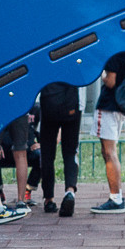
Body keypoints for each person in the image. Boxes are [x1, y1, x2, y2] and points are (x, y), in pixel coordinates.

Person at [89, 54, 125, 214]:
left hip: (109, 105)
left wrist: (101, 74)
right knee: (110, 152)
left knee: (109, 153)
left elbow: (111, 81)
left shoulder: (115, 54)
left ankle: (116, 198)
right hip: (120, 106)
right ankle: (117, 197)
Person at [38, 81, 84, 216]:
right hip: (72, 103)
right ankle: (70, 191)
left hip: (49, 104)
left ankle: (49, 199)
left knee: (47, 154)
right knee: (70, 152)